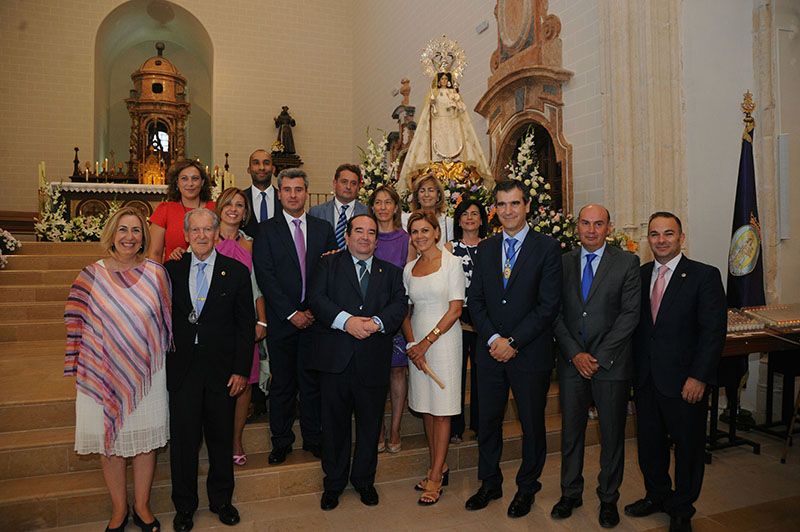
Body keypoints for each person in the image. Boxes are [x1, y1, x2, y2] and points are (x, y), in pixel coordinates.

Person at [64, 207, 172, 532]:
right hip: (102, 372)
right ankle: (119, 509)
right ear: (112, 233)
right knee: (108, 440)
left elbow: (167, 320)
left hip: (147, 374)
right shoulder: (90, 274)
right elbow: (74, 316)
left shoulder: (157, 273)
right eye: (123, 230)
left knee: (143, 440)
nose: (129, 237)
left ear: (144, 237)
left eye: (136, 231)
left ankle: (141, 506)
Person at [624, 212, 726, 532]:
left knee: (688, 448)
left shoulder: (703, 275)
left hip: (685, 382)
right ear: (648, 240)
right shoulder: (639, 276)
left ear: (681, 238)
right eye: (655, 234)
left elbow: (712, 332)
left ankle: (682, 507)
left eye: (668, 234)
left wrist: (699, 376)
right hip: (646, 380)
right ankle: (656, 495)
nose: (661, 240)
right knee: (650, 445)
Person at [465, 179, 562, 518]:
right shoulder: (487, 247)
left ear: (527, 207)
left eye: (515, 204)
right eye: (502, 205)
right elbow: (475, 300)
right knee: (487, 421)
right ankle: (489, 482)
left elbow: (548, 305)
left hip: (529, 353)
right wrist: (493, 339)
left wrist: (514, 342)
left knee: (532, 423)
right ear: (495, 209)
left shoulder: (547, 247)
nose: (508, 211)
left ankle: (526, 487)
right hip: (490, 352)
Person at [308, 214, 408, 511]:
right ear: (348, 236)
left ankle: (364, 480)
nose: (365, 237)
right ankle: (334, 483)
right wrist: (347, 321)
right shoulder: (328, 264)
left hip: (372, 361)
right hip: (335, 360)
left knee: (369, 425)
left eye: (371, 233)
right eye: (359, 231)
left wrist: (376, 323)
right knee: (335, 426)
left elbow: (399, 305)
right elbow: (316, 298)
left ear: (377, 240)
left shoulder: (390, 272)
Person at [165, 208, 255, 531]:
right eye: (196, 230)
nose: (202, 235)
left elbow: (246, 327)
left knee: (220, 440)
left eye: (208, 230)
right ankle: (185, 507)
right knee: (184, 444)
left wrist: (242, 370)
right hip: (184, 370)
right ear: (186, 235)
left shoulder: (236, 271)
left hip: (222, 371)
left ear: (217, 234)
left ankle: (221, 501)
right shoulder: (170, 270)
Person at [551, 204, 641, 528]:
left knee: (612, 434)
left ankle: (608, 498)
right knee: (571, 433)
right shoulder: (562, 263)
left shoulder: (627, 262)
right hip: (571, 361)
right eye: (586, 224)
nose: (591, 230)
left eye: (598, 224)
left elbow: (630, 315)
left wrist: (600, 357)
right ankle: (570, 492)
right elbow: (554, 312)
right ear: (577, 227)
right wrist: (575, 353)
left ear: (609, 227)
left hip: (611, 364)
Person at [253, 168, 338, 464]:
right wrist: (291, 313)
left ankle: (314, 438)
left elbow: (329, 273)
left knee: (312, 383)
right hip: (282, 320)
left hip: (316, 321)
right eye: (287, 189)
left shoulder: (323, 229)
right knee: (283, 384)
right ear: (279, 194)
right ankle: (281, 441)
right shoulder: (265, 230)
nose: (293, 194)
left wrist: (313, 310)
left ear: (306, 192)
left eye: (298, 189)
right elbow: (266, 276)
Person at [402, 211, 465, 506]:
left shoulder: (452, 264)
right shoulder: (409, 268)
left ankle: (436, 477)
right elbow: (405, 310)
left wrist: (427, 342)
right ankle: (437, 465)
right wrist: (413, 342)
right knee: (426, 408)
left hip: (444, 343)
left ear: (437, 232)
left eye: (425, 230)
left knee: (441, 411)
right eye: (414, 232)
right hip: (418, 347)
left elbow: (455, 310)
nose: (420, 236)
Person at [369, 186, 413, 454]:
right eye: (378, 202)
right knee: (374, 372)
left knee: (397, 371)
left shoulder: (406, 239)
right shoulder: (366, 234)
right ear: (372, 207)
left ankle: (395, 427)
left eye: (388, 202)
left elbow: (407, 280)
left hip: (397, 312)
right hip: (369, 313)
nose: (383, 207)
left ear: (396, 207)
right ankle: (378, 428)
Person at [445, 197, 488, 444]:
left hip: (483, 320)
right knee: (456, 374)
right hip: (457, 319)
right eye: (465, 214)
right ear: (458, 219)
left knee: (483, 374)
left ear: (481, 219)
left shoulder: (491, 246)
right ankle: (455, 428)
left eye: (474, 213)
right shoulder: (450, 248)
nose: (470, 218)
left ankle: (481, 425)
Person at [148, 159, 216, 262]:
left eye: (195, 178)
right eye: (184, 179)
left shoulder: (214, 209)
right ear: (177, 182)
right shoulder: (165, 210)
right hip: (173, 274)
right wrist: (158, 277)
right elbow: (155, 253)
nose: (190, 184)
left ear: (202, 182)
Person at [308, 164, 369, 249]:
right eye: (344, 182)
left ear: (359, 187)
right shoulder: (317, 212)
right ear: (335, 183)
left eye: (353, 183)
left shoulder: (367, 213)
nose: (348, 187)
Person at [401, 175, 454, 246]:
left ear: (438, 196)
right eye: (422, 191)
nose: (426, 195)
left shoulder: (449, 223)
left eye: (431, 190)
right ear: (417, 196)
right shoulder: (404, 220)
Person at [242, 149, 281, 237]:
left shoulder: (284, 198)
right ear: (249, 169)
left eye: (266, 163)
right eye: (256, 163)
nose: (261, 168)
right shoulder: (241, 198)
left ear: (273, 169)